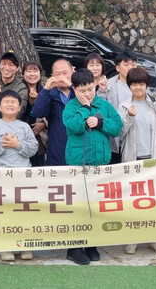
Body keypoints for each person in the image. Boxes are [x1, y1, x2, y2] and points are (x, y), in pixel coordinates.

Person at [63, 68, 123, 265]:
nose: (87, 94)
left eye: (90, 89)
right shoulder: (70, 107)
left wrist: (100, 122)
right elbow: (73, 125)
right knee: (78, 206)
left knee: (95, 206)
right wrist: (84, 108)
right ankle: (74, 247)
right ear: (74, 90)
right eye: (82, 91)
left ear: (95, 86)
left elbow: (117, 127)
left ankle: (91, 243)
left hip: (100, 165)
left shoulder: (104, 105)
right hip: (78, 165)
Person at [0, 90, 39, 262]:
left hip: (23, 175)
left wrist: (18, 144)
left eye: (14, 102)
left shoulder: (25, 127)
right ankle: (5, 246)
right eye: (6, 101)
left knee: (24, 212)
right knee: (4, 212)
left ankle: (25, 245)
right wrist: (2, 144)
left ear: (19, 107)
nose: (10, 104)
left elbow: (33, 148)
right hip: (1, 176)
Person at [119, 67, 156, 256]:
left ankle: (153, 239)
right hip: (132, 160)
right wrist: (129, 117)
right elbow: (120, 133)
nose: (138, 88)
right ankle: (133, 238)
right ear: (129, 86)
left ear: (147, 85)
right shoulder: (124, 106)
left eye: (141, 84)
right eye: (134, 84)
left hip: (153, 160)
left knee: (153, 201)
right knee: (133, 201)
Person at [31, 58, 75, 166]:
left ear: (72, 71)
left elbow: (87, 102)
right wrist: (46, 89)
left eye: (65, 73)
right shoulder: (50, 94)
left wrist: (71, 86)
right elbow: (37, 112)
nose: (61, 77)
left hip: (79, 148)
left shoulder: (79, 91)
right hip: (56, 146)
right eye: (57, 74)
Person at [105, 51, 136, 163]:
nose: (130, 68)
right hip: (115, 140)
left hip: (136, 139)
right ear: (118, 68)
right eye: (126, 65)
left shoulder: (142, 85)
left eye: (133, 64)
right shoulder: (108, 86)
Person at [21, 61, 47, 166]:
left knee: (38, 167)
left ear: (40, 73)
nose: (32, 74)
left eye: (35, 70)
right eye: (28, 71)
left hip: (39, 138)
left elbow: (52, 113)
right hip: (21, 136)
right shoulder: (19, 90)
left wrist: (44, 124)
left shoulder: (45, 91)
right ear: (23, 74)